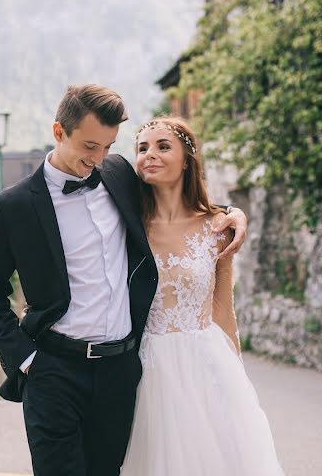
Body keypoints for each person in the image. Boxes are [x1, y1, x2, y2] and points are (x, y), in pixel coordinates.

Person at [0, 85, 248, 476]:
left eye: (108, 146)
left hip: (121, 371)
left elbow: (177, 198)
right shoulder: (11, 206)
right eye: (88, 146)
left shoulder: (117, 174)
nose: (97, 158)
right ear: (58, 131)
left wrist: (230, 213)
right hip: (53, 371)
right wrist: (26, 359)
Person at [120, 116, 284, 475]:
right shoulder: (127, 227)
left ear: (187, 159)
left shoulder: (219, 226)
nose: (150, 154)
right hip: (148, 368)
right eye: (142, 148)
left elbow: (223, 305)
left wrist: (236, 372)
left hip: (206, 364)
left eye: (164, 146)